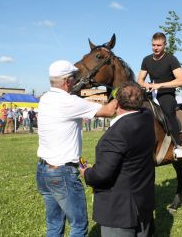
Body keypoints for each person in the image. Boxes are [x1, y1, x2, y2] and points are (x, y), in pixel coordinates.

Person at [36, 60, 117, 237]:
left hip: (43, 170)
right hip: (62, 173)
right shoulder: (70, 102)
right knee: (79, 226)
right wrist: (121, 90)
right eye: (74, 78)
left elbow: (82, 99)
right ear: (67, 81)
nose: (76, 81)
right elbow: (110, 110)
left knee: (54, 223)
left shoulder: (45, 98)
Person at [80, 82, 156, 237]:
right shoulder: (147, 117)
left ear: (116, 103)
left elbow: (102, 175)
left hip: (120, 211)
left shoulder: (117, 133)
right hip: (143, 201)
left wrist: (87, 172)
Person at [137, 32, 182, 159]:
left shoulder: (171, 59)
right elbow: (140, 80)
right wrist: (145, 84)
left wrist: (160, 85)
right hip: (150, 92)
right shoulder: (146, 60)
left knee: (168, 112)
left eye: (159, 45)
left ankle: (178, 145)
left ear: (165, 45)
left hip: (167, 93)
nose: (156, 48)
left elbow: (181, 80)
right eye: (153, 45)